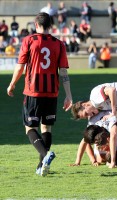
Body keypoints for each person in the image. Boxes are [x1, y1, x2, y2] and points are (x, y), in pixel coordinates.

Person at [6, 12, 73, 176]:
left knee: (30, 128)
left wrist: (12, 84)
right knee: (46, 127)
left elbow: (20, 66)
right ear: (51, 25)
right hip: (52, 91)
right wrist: (68, 95)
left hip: (33, 91)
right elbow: (63, 71)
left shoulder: (29, 40)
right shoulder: (59, 44)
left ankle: (45, 155)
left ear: (36, 25)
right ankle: (41, 165)